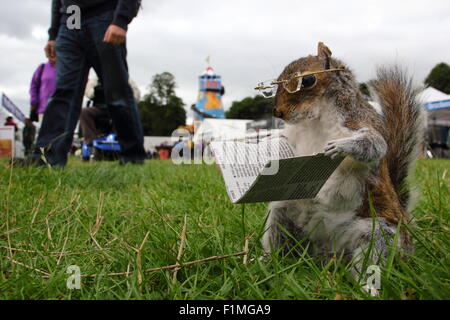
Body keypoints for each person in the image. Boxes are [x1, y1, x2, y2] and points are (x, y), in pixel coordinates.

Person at [29, 0, 146, 167]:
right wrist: (53, 34)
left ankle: (132, 157)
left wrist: (121, 19)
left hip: (104, 16)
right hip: (71, 18)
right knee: (64, 93)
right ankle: (48, 157)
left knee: (116, 91)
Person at [29, 57, 57, 123]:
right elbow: (34, 86)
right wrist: (34, 102)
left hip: (64, 111)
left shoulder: (68, 67)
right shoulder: (42, 68)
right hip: (44, 110)